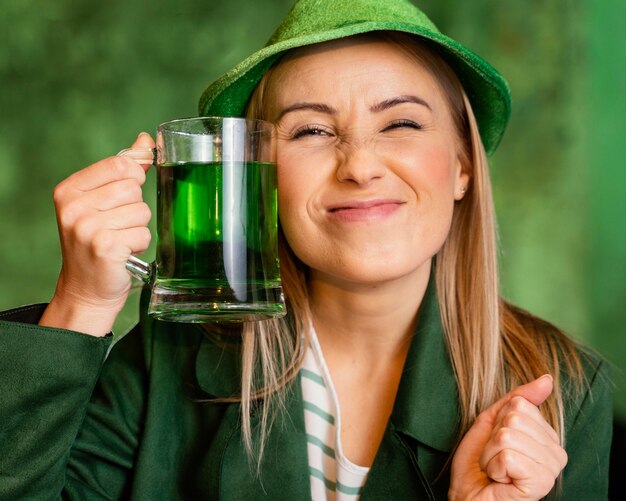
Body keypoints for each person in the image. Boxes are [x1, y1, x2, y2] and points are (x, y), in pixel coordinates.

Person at [0, 0, 611, 499]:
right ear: (257, 177)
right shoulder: (170, 353)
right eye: (312, 131)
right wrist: (80, 302)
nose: (360, 167)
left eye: (400, 123)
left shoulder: (569, 394)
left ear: (461, 168)